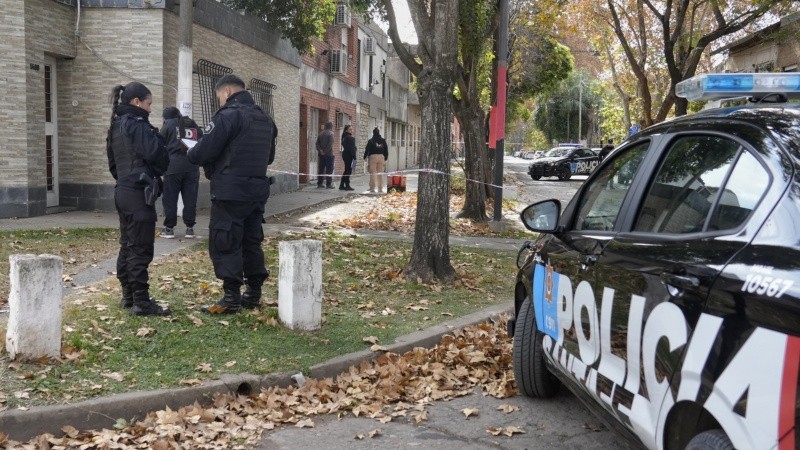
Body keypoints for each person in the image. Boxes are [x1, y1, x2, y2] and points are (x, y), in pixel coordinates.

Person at [187, 74, 277, 314]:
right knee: (251, 241)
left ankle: (231, 297)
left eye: (219, 97)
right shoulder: (265, 119)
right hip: (257, 191)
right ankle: (253, 293)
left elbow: (202, 152)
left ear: (226, 92)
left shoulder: (228, 116)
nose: (219, 101)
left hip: (230, 191)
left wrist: (190, 153)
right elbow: (269, 157)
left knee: (226, 240)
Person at [106, 81, 171, 316]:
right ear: (137, 102)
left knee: (127, 245)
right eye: (149, 103)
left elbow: (113, 164)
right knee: (140, 248)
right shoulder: (138, 125)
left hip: (123, 190)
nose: (150, 109)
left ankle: (128, 296)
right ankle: (141, 302)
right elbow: (158, 158)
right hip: (138, 193)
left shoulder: (115, 127)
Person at [159, 106, 203, 239]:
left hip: (173, 167)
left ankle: (169, 229)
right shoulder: (192, 124)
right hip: (192, 166)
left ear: (166, 117)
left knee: (170, 198)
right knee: (190, 198)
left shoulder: (168, 124)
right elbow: (202, 140)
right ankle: (190, 228)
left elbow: (160, 143)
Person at [364, 127, 388, 193]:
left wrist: (365, 157)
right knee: (380, 173)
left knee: (373, 173)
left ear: (373, 133)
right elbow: (386, 150)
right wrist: (385, 158)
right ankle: (380, 188)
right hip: (381, 157)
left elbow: (367, 149)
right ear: (379, 132)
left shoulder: (371, 140)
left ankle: (372, 188)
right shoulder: (383, 140)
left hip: (372, 157)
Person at [316, 121, 334, 189]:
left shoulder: (320, 133)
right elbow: (330, 144)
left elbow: (317, 143)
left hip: (321, 155)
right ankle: (328, 184)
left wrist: (320, 150)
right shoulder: (331, 134)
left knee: (321, 168)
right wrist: (325, 151)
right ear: (331, 126)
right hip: (329, 154)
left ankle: (319, 183)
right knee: (329, 169)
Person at [340, 124, 356, 191]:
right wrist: (354, 157)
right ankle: (347, 185)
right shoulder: (350, 138)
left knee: (346, 170)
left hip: (345, 154)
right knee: (348, 170)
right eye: (350, 129)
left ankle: (341, 184)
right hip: (349, 155)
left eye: (352, 129)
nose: (352, 130)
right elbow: (351, 148)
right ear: (347, 130)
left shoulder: (343, 136)